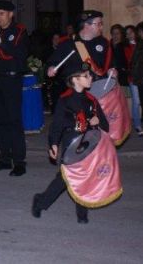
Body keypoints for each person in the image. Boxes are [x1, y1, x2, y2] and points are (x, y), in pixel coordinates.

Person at [32, 63, 109, 224]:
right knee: (65, 179)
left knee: (85, 177)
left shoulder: (91, 100)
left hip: (88, 144)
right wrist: (53, 144)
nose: (91, 78)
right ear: (75, 79)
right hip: (70, 143)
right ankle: (40, 202)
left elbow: (105, 125)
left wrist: (97, 121)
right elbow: (57, 124)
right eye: (86, 76)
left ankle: (82, 213)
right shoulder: (65, 99)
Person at [0, 0, 29, 176]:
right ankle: (4, 158)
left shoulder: (19, 31)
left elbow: (19, 53)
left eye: (1, 14)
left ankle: (19, 161)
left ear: (11, 14)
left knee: (13, 120)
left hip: (11, 80)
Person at [124, 25, 142, 134]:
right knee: (136, 101)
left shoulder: (141, 44)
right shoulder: (126, 47)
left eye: (131, 32)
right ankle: (137, 124)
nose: (129, 35)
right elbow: (129, 60)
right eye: (127, 33)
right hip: (133, 77)